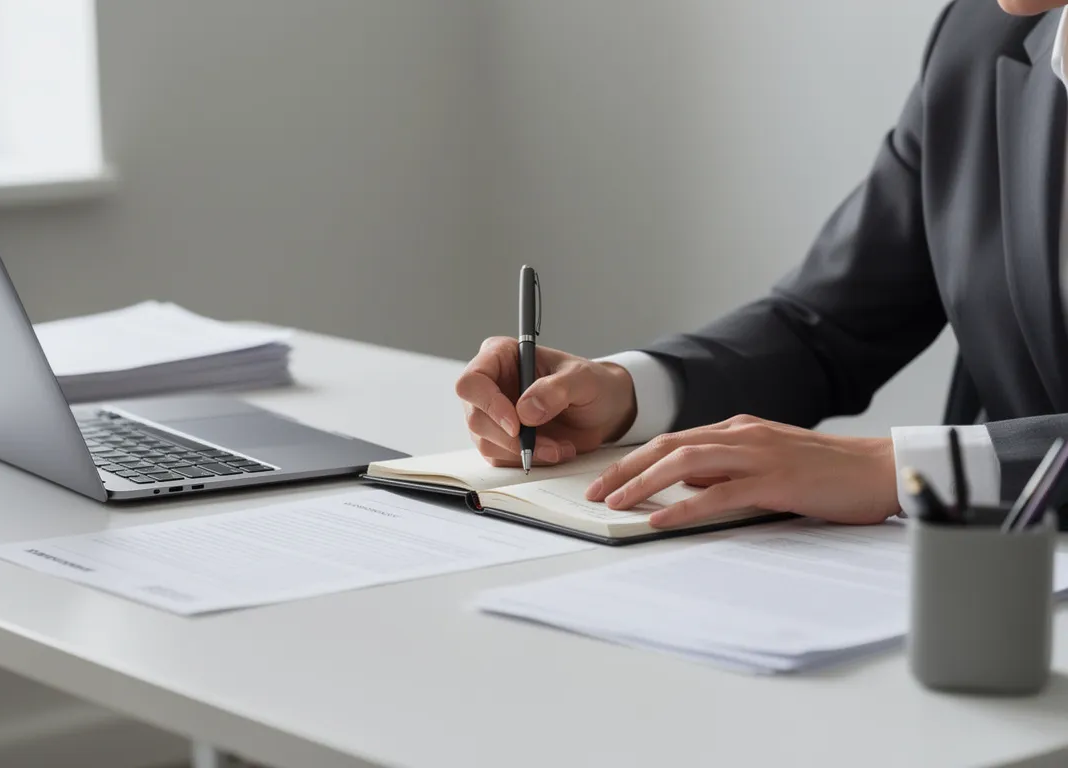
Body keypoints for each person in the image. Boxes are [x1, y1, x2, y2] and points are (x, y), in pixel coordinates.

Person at [456, 0, 1068, 529]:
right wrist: (626, 393)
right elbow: (825, 325)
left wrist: (898, 470)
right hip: (995, 586)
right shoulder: (984, 35)